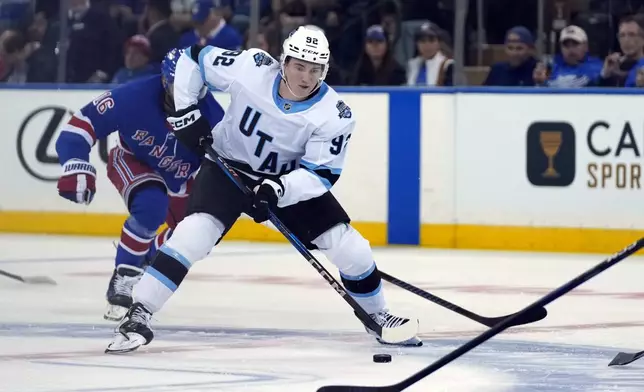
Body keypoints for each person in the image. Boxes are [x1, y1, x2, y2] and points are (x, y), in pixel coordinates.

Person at [105, 24, 421, 354]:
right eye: (299, 66)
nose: (305, 77)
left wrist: (277, 189)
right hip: (227, 169)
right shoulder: (253, 66)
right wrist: (186, 111)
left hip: (285, 182)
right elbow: (191, 59)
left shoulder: (335, 114)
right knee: (191, 236)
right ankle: (138, 315)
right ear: (283, 62)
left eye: (315, 70)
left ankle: (379, 317)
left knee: (350, 248)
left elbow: (320, 174)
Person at [55, 48, 225, 321]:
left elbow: (232, 165)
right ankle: (125, 273)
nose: (187, 96)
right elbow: (80, 127)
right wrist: (75, 163)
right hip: (134, 160)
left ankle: (148, 255)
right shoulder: (133, 97)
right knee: (151, 205)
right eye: (180, 86)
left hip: (182, 178)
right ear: (164, 81)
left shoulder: (215, 119)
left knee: (202, 236)